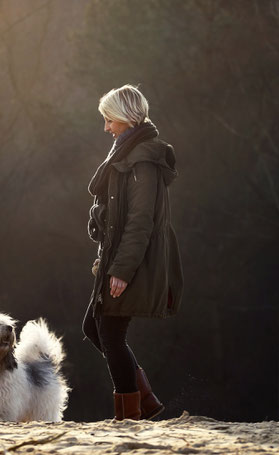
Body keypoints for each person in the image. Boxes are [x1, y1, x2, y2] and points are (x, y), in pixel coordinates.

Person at [83, 84, 184, 421]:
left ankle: (129, 415)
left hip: (135, 262)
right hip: (118, 256)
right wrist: (107, 257)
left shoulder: (144, 160)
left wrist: (122, 270)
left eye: (110, 120)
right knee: (95, 329)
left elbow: (140, 223)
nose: (106, 128)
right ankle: (146, 400)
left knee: (109, 333)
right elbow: (118, 216)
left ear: (125, 119)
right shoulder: (126, 152)